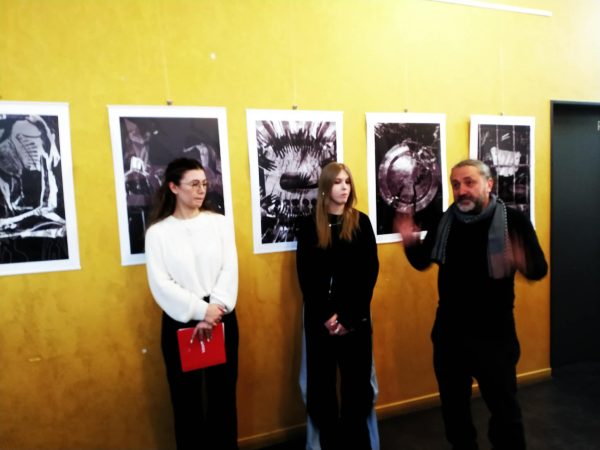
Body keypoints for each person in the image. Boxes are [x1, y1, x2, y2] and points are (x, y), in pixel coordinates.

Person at [396, 159, 547, 450]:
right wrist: (409, 242)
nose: (461, 190)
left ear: (489, 184)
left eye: (469, 182)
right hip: (450, 333)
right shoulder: (446, 221)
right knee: (454, 411)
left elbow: (539, 269)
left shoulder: (513, 221)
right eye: (456, 184)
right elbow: (423, 261)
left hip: (495, 335)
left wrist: (523, 260)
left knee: (504, 412)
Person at [144, 157, 239, 450]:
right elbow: (161, 284)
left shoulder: (219, 223)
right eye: (194, 184)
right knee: (186, 401)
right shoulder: (158, 233)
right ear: (174, 187)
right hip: (181, 320)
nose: (201, 190)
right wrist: (201, 310)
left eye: (204, 184)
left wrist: (214, 308)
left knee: (223, 397)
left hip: (221, 315)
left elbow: (230, 268)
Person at [296, 162, 380, 450]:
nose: (344, 187)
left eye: (347, 182)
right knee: (321, 388)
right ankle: (328, 442)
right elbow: (306, 276)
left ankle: (357, 442)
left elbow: (368, 273)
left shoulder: (361, 222)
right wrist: (326, 316)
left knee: (358, 387)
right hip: (320, 320)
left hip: (355, 318)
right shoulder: (309, 226)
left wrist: (347, 317)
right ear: (325, 187)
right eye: (337, 182)